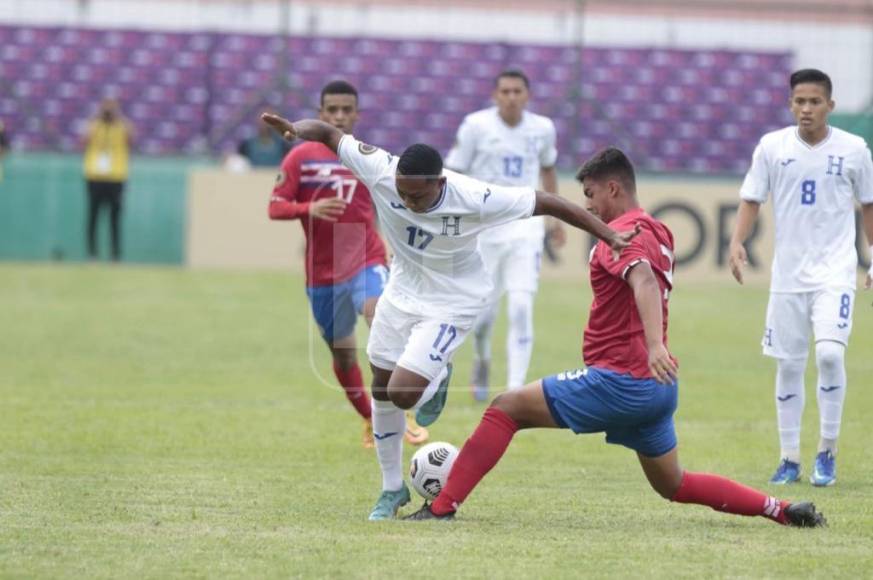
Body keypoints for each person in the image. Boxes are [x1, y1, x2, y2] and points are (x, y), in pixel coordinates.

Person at [404, 147, 826, 528]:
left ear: (612, 188)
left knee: (506, 408)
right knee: (673, 484)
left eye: (590, 195)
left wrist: (655, 345)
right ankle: (780, 509)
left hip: (620, 380)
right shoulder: (659, 230)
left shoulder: (619, 234)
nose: (587, 206)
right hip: (657, 388)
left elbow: (642, 280)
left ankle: (441, 508)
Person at [261, 112, 638, 521]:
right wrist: (298, 131)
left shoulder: (474, 196)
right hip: (402, 290)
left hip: (454, 299)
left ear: (439, 184)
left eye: (417, 197)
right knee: (382, 388)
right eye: (402, 195)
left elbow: (547, 201)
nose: (408, 203)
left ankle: (437, 375)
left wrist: (608, 234)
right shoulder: (381, 170)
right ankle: (391, 489)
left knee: (405, 393)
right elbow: (330, 133)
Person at [729, 68, 873, 487]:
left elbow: (868, 206)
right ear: (790, 104)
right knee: (788, 365)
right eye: (799, 101)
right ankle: (789, 458)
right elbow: (751, 198)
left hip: (835, 273)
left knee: (829, 355)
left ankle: (826, 451)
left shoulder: (854, 150)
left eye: (814, 102)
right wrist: (737, 242)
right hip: (788, 277)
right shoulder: (772, 147)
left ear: (830, 105)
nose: (806, 109)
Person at [268, 80, 428, 449]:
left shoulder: (366, 156)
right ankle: (371, 417)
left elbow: (402, 201)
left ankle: (401, 405)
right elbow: (275, 207)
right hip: (323, 273)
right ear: (322, 114)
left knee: (381, 316)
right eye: (332, 110)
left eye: (346, 110)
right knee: (343, 355)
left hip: (366, 258)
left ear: (356, 114)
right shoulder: (300, 157)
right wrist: (309, 208)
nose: (339, 116)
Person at [445, 69, 565, 400]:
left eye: (517, 91)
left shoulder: (542, 128)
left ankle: (514, 391)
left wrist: (554, 221)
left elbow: (548, 168)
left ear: (527, 96)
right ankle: (482, 359)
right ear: (495, 95)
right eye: (506, 91)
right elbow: (453, 171)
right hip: (484, 227)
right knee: (483, 315)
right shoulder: (475, 126)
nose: (511, 97)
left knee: (521, 306)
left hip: (525, 224)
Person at [82, 98, 133, 262]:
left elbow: (131, 138)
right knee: (93, 217)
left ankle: (115, 254)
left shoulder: (121, 126)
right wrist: (96, 117)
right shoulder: (95, 126)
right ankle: (92, 254)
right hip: (95, 176)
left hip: (116, 176)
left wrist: (120, 118)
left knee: (115, 219)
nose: (108, 113)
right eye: (106, 109)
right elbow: (84, 140)